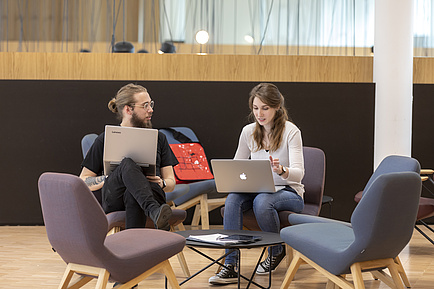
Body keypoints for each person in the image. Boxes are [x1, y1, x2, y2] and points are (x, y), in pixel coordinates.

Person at [209, 83, 305, 285]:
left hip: (289, 192)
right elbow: (237, 165)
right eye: (255, 108)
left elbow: (299, 174)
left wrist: (282, 170)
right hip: (258, 189)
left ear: (277, 106)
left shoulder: (291, 131)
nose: (259, 114)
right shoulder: (248, 132)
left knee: (262, 201)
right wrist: (233, 177)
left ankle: (276, 249)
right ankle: (230, 264)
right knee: (233, 199)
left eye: (265, 108)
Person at [79, 83, 178, 230]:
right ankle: (153, 210)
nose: (150, 110)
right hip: (115, 197)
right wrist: (108, 178)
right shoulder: (105, 139)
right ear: (128, 109)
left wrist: (163, 183)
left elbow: (171, 182)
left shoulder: (159, 138)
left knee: (132, 194)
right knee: (127, 163)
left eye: (150, 104)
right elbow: (83, 180)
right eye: (145, 105)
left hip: (152, 191)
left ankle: (133, 249)